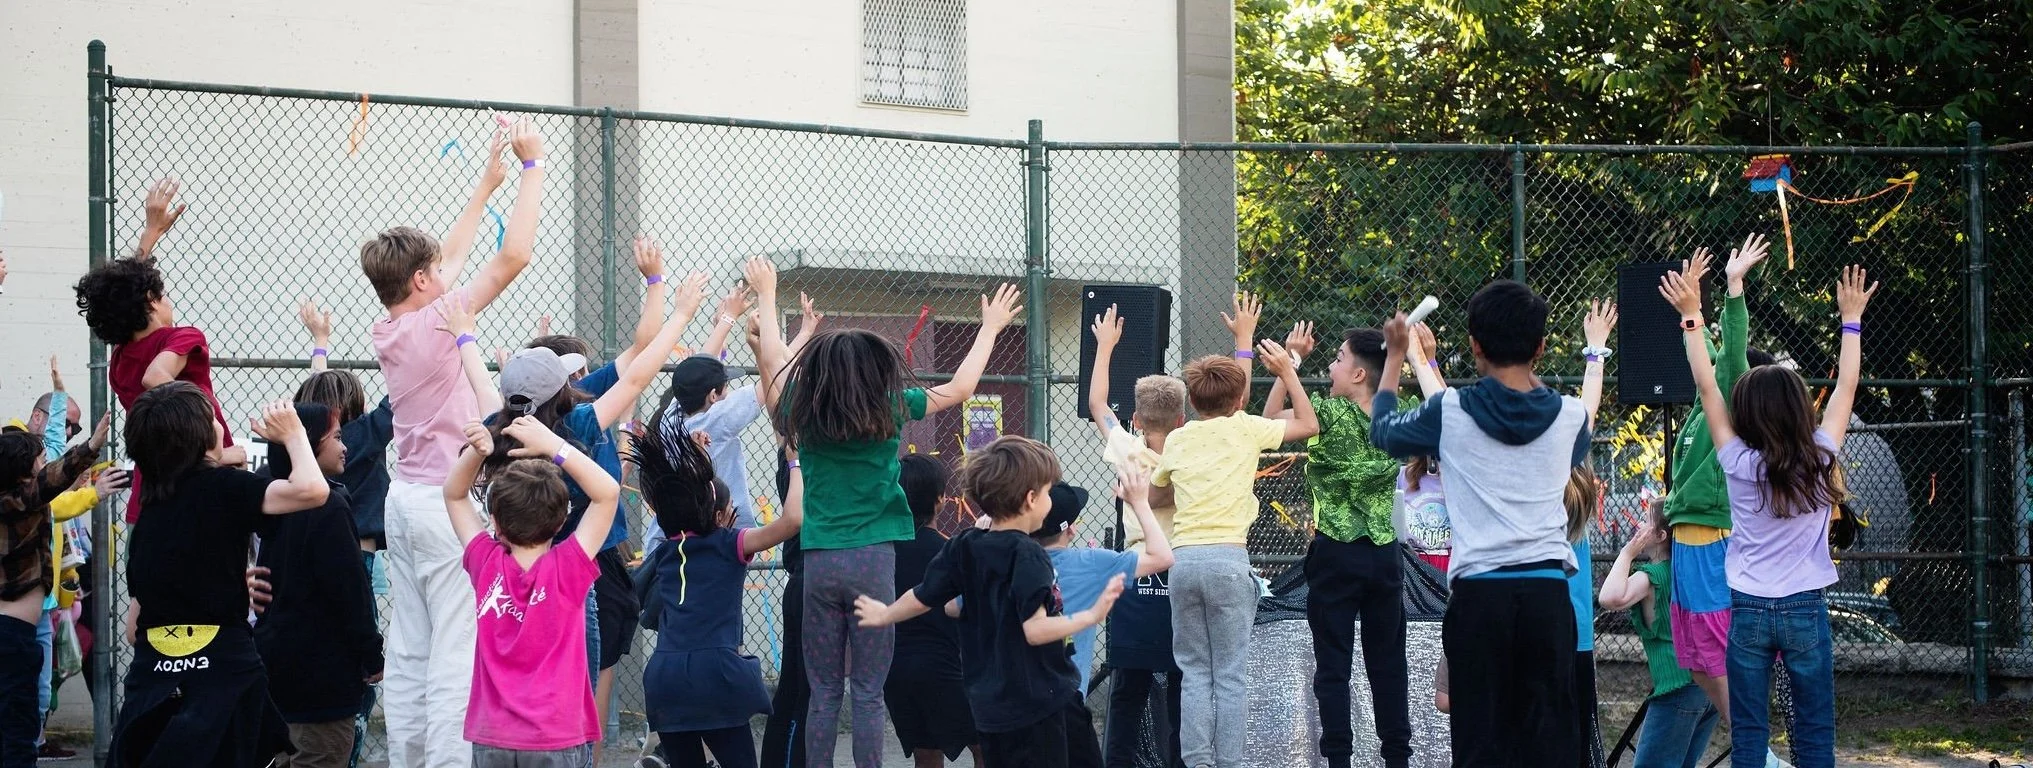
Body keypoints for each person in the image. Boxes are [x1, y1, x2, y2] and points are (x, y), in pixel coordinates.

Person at [772, 266, 1022, 768]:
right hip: (871, 563)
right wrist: (991, 327)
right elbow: (960, 388)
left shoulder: (805, 409)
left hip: (819, 561)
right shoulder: (890, 405)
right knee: (867, 693)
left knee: (824, 692)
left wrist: (763, 302)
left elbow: (777, 378)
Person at [362, 121, 545, 768]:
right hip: (449, 502)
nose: (445, 271)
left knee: (410, 645)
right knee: (455, 651)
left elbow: (456, 261)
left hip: (403, 500)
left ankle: (406, 759)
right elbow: (512, 256)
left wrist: (481, 187)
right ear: (419, 280)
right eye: (433, 269)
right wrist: (530, 168)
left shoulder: (395, 325)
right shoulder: (440, 316)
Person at [1660, 257, 1878, 768]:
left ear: (1749, 413)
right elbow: (1846, 388)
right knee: (1816, 730)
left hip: (1750, 611)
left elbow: (1708, 387)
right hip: (1805, 608)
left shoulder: (1736, 462)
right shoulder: (1822, 456)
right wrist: (1851, 319)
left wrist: (1692, 315)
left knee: (1751, 734)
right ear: (1800, 409)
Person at [1370, 280, 1594, 767]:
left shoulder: (1448, 412)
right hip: (1547, 597)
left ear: (1474, 345)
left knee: (1479, 746)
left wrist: (1394, 357)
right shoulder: (1572, 417)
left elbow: (1382, 433)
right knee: (1551, 746)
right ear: (1540, 346)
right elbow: (1571, 448)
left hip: (1480, 599)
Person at [854, 437, 1125, 768]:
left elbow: (924, 595)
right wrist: (1091, 615)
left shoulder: (965, 544)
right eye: (1046, 493)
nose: (1050, 502)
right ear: (1030, 499)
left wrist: (886, 614)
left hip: (989, 706)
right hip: (1040, 703)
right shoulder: (1029, 555)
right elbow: (1036, 629)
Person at [111, 387, 331, 767]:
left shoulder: (150, 514)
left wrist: (212, 589)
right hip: (224, 683)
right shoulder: (224, 487)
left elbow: (134, 628)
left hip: (153, 687)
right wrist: (294, 434)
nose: (219, 423)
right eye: (212, 417)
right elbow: (312, 490)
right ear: (199, 439)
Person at [1262, 320, 1439, 768]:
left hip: (1335, 554)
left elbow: (1266, 423)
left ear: (1359, 374)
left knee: (1333, 667)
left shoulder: (1323, 413)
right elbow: (1439, 407)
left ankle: (1338, 759)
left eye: (1339, 360)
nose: (1333, 365)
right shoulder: (1396, 414)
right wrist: (1424, 357)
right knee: (1388, 665)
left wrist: (1290, 367)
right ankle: (1397, 757)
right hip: (1384, 556)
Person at [1154, 292, 1317, 768]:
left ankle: (1197, 761)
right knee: (1230, 674)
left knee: (1194, 672)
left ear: (1191, 398)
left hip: (1182, 563)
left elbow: (1159, 493)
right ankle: (1229, 763)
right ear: (1241, 399)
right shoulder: (1246, 429)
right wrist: (1287, 369)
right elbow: (1306, 423)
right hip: (1228, 560)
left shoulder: (1180, 439)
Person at [632, 402, 805, 768]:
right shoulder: (731, 544)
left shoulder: (664, 549)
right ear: (721, 516)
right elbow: (792, 521)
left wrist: (694, 457)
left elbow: (673, 500)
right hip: (715, 674)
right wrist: (794, 463)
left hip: (664, 677)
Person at [445, 413, 616, 766]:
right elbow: (608, 493)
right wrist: (554, 446)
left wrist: (478, 452)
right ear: (561, 520)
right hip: (555, 737)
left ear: (493, 521)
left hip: (493, 736)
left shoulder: (485, 563)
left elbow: (454, 495)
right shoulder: (569, 567)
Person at [73, 178, 244, 523]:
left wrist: (150, 234)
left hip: (148, 503)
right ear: (150, 303)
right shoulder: (180, 338)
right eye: (161, 295)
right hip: (199, 492)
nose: (168, 301)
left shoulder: (121, 360)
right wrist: (217, 449)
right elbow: (156, 377)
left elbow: (124, 290)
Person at [1661, 234, 1773, 720]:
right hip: (1685, 545)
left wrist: (1731, 287)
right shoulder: (1695, 415)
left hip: (1711, 542)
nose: (1704, 354)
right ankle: (1747, 734)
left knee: (1714, 653)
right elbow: (1702, 345)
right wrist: (1691, 308)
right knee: (1693, 659)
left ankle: (1754, 746)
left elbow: (1725, 353)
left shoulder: (1725, 401)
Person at [253, 404, 384, 768]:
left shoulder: (270, 496)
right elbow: (350, 590)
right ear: (308, 444)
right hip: (323, 683)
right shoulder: (328, 508)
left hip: (277, 674)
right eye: (337, 438)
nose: (345, 447)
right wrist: (371, 654)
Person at [1086, 304, 1189, 768]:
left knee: (1129, 686)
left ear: (1139, 421)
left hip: (1136, 571)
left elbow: (1097, 406)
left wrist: (1105, 347)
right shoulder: (1195, 452)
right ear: (1183, 421)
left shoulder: (1127, 448)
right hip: (1181, 568)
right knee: (1184, 684)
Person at [646, 291, 822, 550]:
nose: (728, 389)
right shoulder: (720, 417)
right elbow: (773, 376)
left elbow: (699, 365)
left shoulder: (672, 413)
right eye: (724, 386)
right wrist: (804, 335)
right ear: (714, 395)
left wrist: (727, 318)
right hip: (720, 527)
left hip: (675, 529)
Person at [2, 414, 110, 768]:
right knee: (18, 729)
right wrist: (91, 445)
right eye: (39, 460)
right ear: (23, 473)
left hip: (17, 634)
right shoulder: (20, 499)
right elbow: (54, 479)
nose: (45, 463)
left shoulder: (16, 502)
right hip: (12, 637)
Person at [1598, 501, 1719, 768]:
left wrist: (1628, 553)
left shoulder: (1653, 575)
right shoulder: (1691, 571)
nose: (1637, 525)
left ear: (1660, 535)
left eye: (1644, 520)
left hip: (1677, 687)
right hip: (1711, 686)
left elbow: (1609, 597)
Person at [1036, 477, 1174, 704]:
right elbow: (1162, 556)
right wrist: (1139, 503)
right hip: (1066, 701)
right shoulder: (1090, 563)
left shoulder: (1007, 560)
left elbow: (954, 606)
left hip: (1012, 701)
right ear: (1070, 529)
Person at [885, 454, 981, 768]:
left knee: (926, 754)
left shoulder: (881, 553)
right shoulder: (950, 550)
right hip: (948, 669)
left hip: (896, 669)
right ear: (940, 501)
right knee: (985, 746)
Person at [1567, 299, 1618, 768]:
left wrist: (1427, 361)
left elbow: (1584, 415)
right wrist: (1595, 351)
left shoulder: (1532, 494)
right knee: (1580, 739)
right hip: (1576, 640)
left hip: (1535, 632)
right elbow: (1586, 412)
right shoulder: (1576, 497)